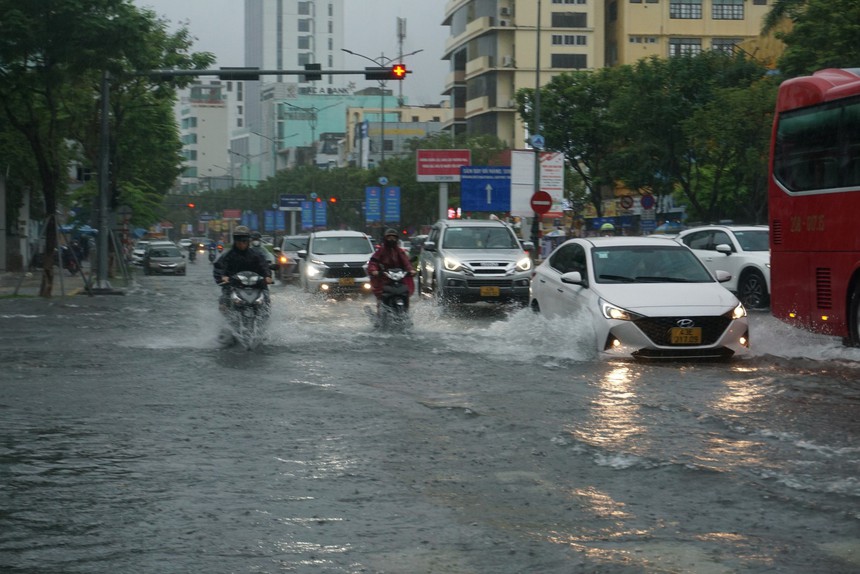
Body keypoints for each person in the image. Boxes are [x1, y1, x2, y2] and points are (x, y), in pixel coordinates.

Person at [213, 226, 273, 309]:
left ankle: (265, 314)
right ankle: (226, 316)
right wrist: (223, 277)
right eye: (238, 239)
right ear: (235, 240)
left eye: (244, 240)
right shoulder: (227, 256)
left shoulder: (256, 255)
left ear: (248, 241)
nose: (241, 243)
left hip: (255, 284)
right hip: (234, 284)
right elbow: (219, 267)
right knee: (224, 301)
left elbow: (264, 265)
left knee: (266, 297)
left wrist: (267, 276)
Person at [368, 228, 414, 308]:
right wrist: (374, 271)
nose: (391, 240)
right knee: (380, 293)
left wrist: (411, 270)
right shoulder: (381, 251)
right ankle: (380, 310)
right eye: (389, 237)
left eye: (394, 238)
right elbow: (373, 262)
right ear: (385, 238)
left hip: (398, 278)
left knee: (405, 291)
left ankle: (406, 311)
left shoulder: (400, 251)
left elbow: (406, 262)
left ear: (397, 239)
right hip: (384, 278)